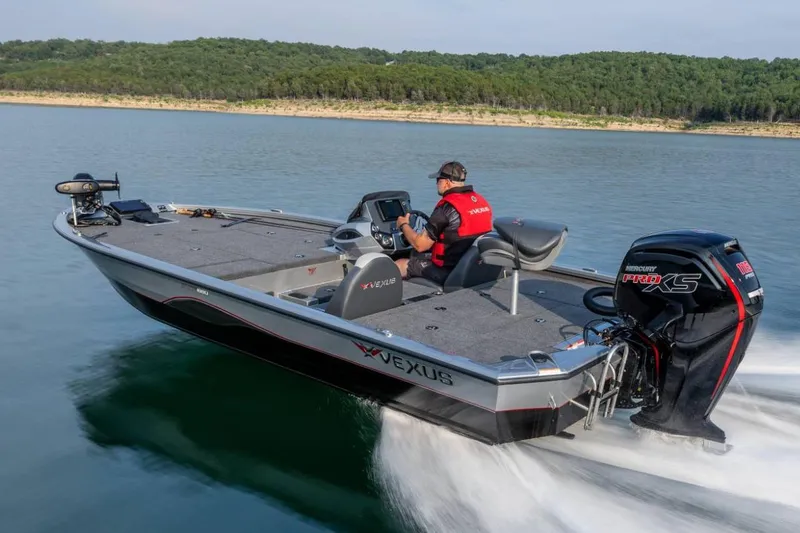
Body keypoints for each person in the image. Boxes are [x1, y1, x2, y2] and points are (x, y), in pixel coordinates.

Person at [394, 161, 494, 285]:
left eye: (438, 180)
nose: (436, 183)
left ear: (447, 182)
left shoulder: (446, 208)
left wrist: (404, 225)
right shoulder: (480, 201)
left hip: (448, 271)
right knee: (416, 256)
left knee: (399, 265)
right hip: (474, 266)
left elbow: (420, 245)